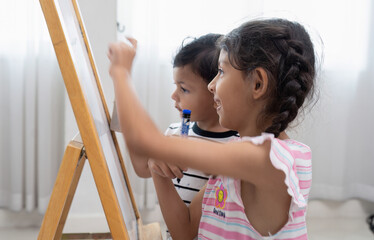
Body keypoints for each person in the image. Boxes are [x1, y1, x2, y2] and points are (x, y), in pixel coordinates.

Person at [108, 18, 316, 239]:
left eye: (221, 71)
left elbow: (143, 141)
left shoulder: (267, 161)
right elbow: (185, 232)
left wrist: (121, 73)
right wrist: (159, 172)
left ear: (257, 84)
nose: (211, 85)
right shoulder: (237, 157)